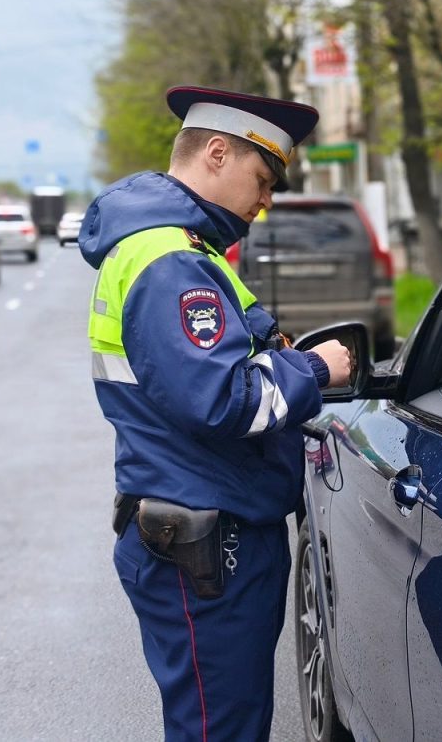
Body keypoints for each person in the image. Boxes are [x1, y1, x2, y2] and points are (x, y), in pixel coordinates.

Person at [79, 85, 352, 741]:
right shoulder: (171, 260)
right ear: (218, 153)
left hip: (202, 526)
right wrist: (317, 370)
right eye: (263, 180)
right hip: (207, 540)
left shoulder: (182, 250)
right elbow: (224, 398)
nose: (265, 202)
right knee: (219, 728)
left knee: (223, 721)